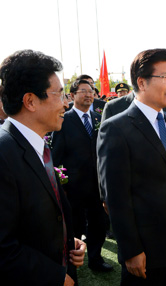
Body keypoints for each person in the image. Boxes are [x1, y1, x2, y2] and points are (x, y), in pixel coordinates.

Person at [97, 48, 166, 285]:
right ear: (142, 83)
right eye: (165, 78)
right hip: (145, 245)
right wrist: (130, 250)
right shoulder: (116, 128)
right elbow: (115, 197)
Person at [0, 49, 86, 285]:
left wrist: (69, 243)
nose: (66, 104)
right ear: (30, 101)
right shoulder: (4, 153)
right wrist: (55, 277)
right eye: (58, 94)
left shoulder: (39, 144)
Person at [51, 79, 112, 273]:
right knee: (74, 227)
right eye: (83, 91)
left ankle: (95, 259)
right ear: (72, 95)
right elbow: (56, 157)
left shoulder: (99, 119)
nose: (88, 94)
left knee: (99, 225)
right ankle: (71, 266)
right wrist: (63, 187)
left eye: (91, 91)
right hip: (73, 188)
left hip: (97, 186)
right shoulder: (63, 119)